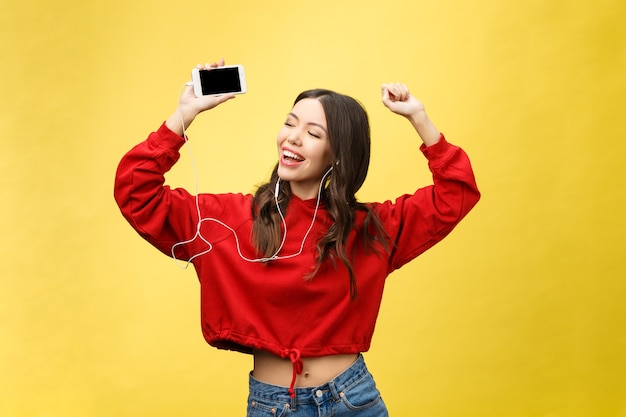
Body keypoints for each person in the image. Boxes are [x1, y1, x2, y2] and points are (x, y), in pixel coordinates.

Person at [114, 59, 480, 416]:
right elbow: (136, 190)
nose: (293, 136)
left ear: (338, 155)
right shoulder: (227, 221)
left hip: (353, 400)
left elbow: (456, 193)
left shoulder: (370, 228)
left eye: (313, 133)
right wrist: (184, 115)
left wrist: (418, 117)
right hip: (273, 405)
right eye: (290, 123)